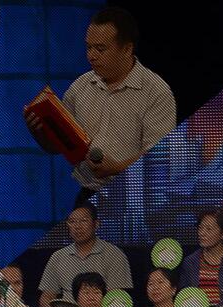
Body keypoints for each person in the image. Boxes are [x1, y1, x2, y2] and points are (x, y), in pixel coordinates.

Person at [29, 6, 175, 201]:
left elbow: (160, 158)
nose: (91, 56)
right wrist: (40, 133)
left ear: (127, 49)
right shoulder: (79, 87)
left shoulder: (155, 91)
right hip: (89, 194)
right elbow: (61, 147)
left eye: (100, 49)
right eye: (88, 47)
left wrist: (117, 168)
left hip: (138, 198)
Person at [39, 203, 133, 307]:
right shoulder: (58, 256)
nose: (77, 226)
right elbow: (46, 296)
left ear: (96, 224)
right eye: (72, 221)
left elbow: (116, 299)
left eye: (83, 220)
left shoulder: (114, 254)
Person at [179, 207, 223, 307]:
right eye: (200, 228)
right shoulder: (190, 262)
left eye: (209, 229)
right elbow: (183, 297)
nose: (202, 233)